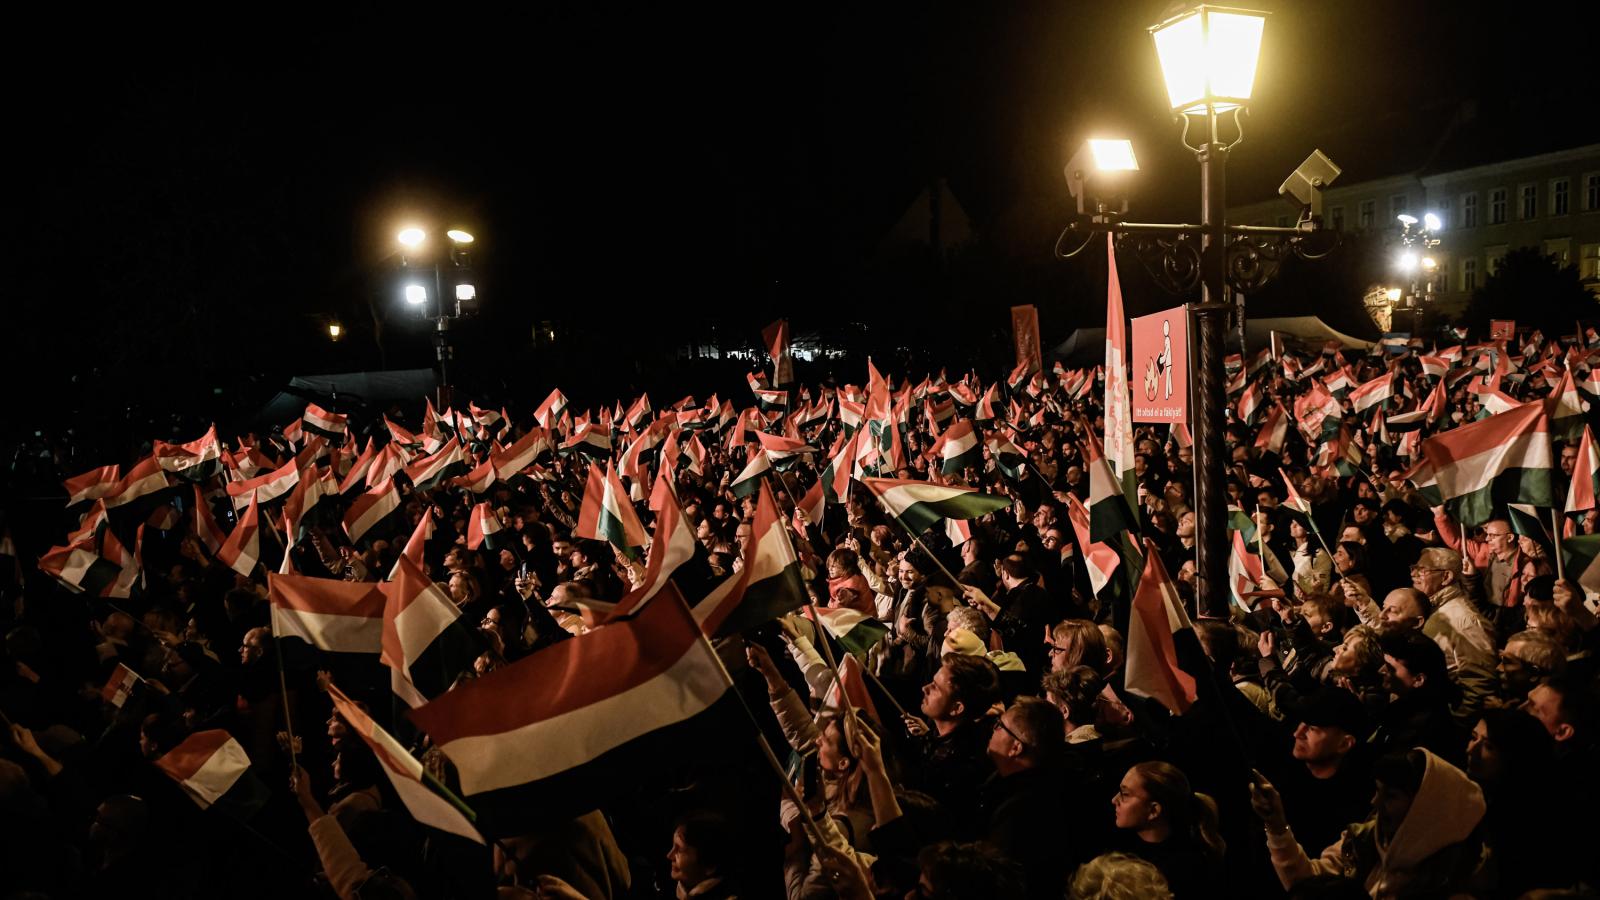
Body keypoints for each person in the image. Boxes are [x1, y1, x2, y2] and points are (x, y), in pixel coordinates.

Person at [1252, 749, 1487, 897]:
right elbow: (1309, 884)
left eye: (1391, 796)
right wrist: (1276, 825)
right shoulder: (1364, 840)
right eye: (1377, 790)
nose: (1375, 802)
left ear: (1425, 808)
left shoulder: (1450, 883)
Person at [1109, 761, 1225, 898]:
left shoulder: (1180, 872)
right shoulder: (1124, 850)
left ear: (1153, 810)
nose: (1114, 800)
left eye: (1125, 794)